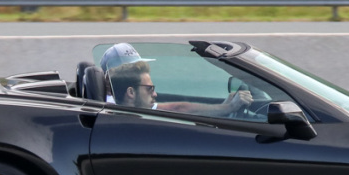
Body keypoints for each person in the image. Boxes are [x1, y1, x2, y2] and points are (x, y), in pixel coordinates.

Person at [102, 45, 252, 117]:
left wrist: (224, 107)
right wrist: (228, 108)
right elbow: (180, 109)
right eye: (130, 67)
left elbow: (178, 108)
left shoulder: (131, 103)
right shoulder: (111, 109)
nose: (154, 94)